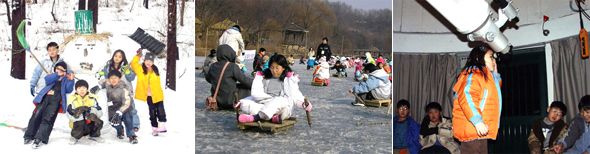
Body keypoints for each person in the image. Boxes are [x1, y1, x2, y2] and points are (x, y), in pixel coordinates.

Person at [235, 54, 312, 124]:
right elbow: (256, 95)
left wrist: (304, 103)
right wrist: (241, 102)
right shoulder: (264, 78)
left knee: (278, 100)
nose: (274, 71)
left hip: (282, 107)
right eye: (272, 68)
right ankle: (272, 117)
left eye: (277, 68)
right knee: (248, 105)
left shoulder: (289, 80)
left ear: (283, 68)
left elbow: (296, 95)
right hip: (265, 104)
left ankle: (256, 117)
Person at [452, 46, 501, 153]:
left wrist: (495, 76)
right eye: (491, 57)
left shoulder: (484, 77)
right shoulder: (473, 75)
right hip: (472, 127)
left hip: (477, 129)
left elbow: (492, 94)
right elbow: (467, 97)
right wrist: (477, 121)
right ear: (479, 58)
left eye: (494, 58)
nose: (494, 60)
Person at [24, 62, 75, 149]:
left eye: (61, 69)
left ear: (65, 71)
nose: (59, 70)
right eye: (57, 68)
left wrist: (71, 80)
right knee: (36, 115)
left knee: (48, 118)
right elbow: (48, 79)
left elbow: (69, 90)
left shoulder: (66, 79)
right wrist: (57, 75)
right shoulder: (51, 75)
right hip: (44, 98)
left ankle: (40, 138)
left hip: (55, 101)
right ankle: (29, 136)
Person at [98, 49, 140, 132]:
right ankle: (119, 126)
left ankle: (135, 125)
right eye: (115, 56)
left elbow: (131, 78)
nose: (117, 58)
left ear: (123, 58)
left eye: (120, 57)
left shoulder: (126, 66)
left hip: (126, 91)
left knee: (131, 109)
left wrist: (128, 72)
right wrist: (102, 74)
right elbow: (107, 78)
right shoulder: (108, 67)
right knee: (115, 110)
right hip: (114, 93)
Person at [93, 71, 138, 143]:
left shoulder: (124, 89)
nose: (113, 80)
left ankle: (131, 136)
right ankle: (120, 129)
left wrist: (120, 112)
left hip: (124, 108)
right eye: (111, 78)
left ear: (119, 79)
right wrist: (99, 86)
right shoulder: (108, 84)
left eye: (116, 78)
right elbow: (104, 81)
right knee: (113, 122)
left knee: (128, 120)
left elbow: (127, 102)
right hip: (113, 108)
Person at [130, 50, 167, 136]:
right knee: (152, 112)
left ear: (153, 62)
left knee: (161, 110)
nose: (148, 63)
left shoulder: (155, 70)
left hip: (157, 95)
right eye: (147, 61)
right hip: (149, 96)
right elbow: (133, 64)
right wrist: (138, 55)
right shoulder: (140, 70)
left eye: (150, 61)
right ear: (144, 61)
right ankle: (154, 128)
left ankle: (162, 126)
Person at [206, 44, 253, 110]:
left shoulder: (213, 66)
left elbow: (208, 79)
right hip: (230, 100)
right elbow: (245, 81)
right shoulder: (232, 66)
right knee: (247, 88)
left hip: (217, 101)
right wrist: (257, 83)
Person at [66, 80, 104, 145]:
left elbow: (100, 111)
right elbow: (68, 113)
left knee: (98, 122)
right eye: (79, 88)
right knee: (81, 123)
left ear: (87, 90)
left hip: (89, 121)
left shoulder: (92, 99)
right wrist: (77, 113)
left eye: (84, 88)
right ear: (76, 90)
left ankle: (94, 135)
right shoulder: (72, 100)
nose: (81, 90)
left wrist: (92, 113)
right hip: (77, 122)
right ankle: (75, 137)